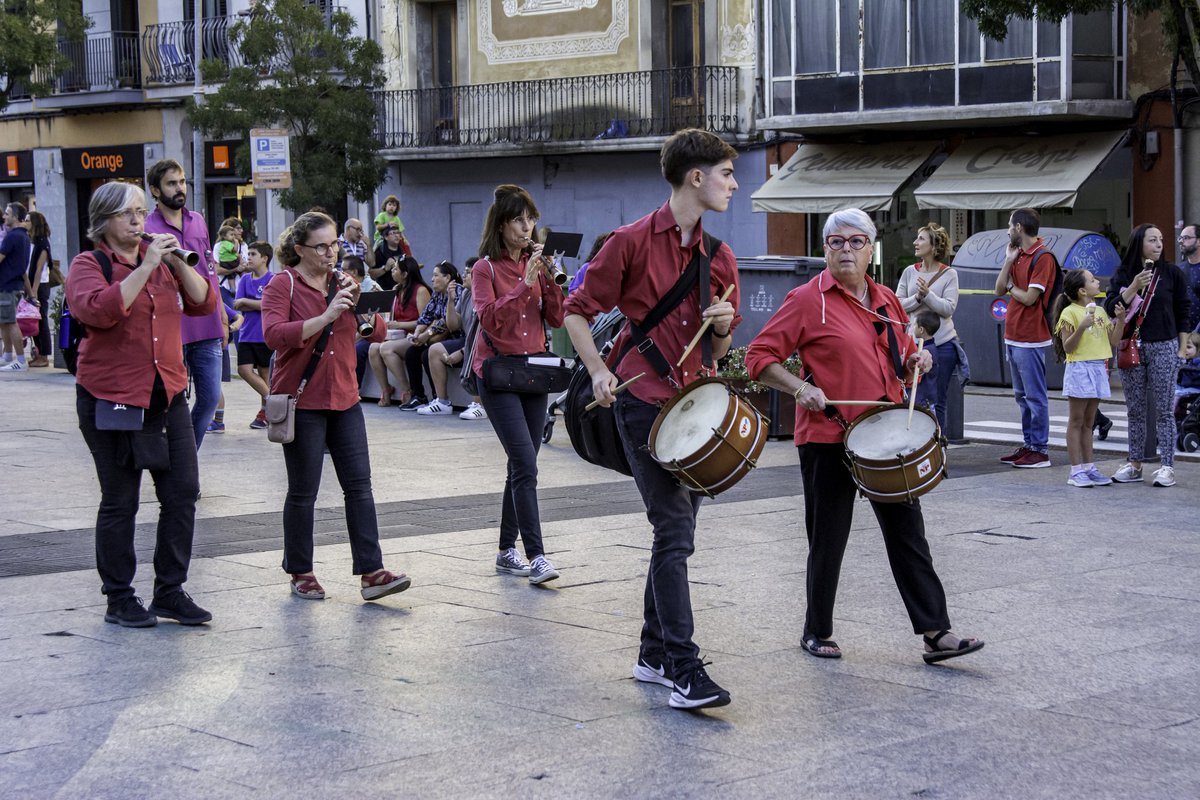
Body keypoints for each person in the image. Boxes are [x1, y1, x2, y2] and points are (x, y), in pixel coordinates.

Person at [746, 206, 984, 667]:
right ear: (825, 249)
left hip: (885, 436)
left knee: (908, 533)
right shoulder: (806, 299)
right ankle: (817, 630)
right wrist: (799, 388)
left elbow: (903, 355)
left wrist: (916, 360)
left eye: (856, 242)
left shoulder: (886, 299)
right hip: (828, 436)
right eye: (837, 242)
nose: (847, 250)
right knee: (828, 537)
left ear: (870, 249)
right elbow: (759, 357)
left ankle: (936, 632)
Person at [563, 129, 740, 710]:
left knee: (676, 531)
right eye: (726, 174)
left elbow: (718, 352)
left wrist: (721, 327)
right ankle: (684, 669)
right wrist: (597, 370)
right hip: (641, 400)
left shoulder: (720, 257)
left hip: (696, 407)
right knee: (673, 528)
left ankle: (653, 653)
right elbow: (575, 310)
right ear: (696, 177)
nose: (733, 185)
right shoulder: (630, 242)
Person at [66, 181, 217, 627]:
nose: (138, 220)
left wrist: (175, 260)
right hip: (111, 397)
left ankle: (170, 590)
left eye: (139, 211)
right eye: (126, 213)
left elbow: (204, 302)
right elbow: (99, 310)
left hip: (166, 393)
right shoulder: (89, 264)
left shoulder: (162, 262)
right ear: (103, 221)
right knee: (120, 500)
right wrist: (145, 265)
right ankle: (119, 597)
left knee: (182, 493)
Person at [261, 211, 411, 602]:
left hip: (345, 397)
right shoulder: (283, 285)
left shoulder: (344, 282)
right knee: (303, 491)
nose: (331, 254)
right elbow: (274, 336)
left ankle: (372, 571)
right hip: (304, 400)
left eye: (335, 245)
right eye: (322, 247)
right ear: (300, 249)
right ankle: (301, 571)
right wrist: (326, 315)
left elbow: (378, 333)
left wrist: (362, 305)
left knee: (359, 486)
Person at [473, 184, 566, 587]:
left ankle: (505, 551)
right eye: (518, 220)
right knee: (526, 464)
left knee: (521, 465)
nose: (526, 227)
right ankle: (537, 556)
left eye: (531, 220)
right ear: (501, 225)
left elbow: (558, 319)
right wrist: (524, 284)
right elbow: (490, 319)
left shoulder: (537, 262)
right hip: (497, 374)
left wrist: (552, 279)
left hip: (534, 371)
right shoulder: (486, 269)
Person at [143, 159, 224, 449]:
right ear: (155, 190)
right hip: (171, 327)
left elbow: (210, 271)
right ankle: (180, 462)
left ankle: (185, 456)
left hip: (207, 323)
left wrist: (222, 315)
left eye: (182, 182)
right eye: (171, 183)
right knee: (171, 403)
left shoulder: (197, 220)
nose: (180, 189)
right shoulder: (146, 227)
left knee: (210, 398)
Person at [1104, 223, 1190, 488]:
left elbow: (1183, 311)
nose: (1159, 244)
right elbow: (1110, 307)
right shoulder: (1123, 273)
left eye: (1161, 239)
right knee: (1135, 410)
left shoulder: (1171, 273)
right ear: (1139, 243)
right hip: (1131, 346)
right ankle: (1135, 464)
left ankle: (1167, 466)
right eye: (1152, 239)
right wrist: (1132, 287)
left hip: (1164, 346)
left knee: (1164, 410)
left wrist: (1182, 347)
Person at [993, 208, 1056, 469]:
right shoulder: (1017, 254)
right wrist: (1008, 261)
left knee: (1034, 396)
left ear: (1019, 227)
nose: (1008, 231)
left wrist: (1011, 286)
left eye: (1010, 226)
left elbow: (1030, 298)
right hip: (1013, 335)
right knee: (1022, 396)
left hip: (1031, 337)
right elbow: (998, 289)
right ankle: (1029, 445)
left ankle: (1039, 449)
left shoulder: (1043, 257)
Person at [1052, 269, 1124, 488]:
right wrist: (1082, 327)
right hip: (1079, 368)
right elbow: (1068, 347)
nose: (1097, 282)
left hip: (1098, 367)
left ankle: (1089, 467)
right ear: (1082, 290)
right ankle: (1075, 470)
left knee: (1089, 421)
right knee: (1076, 420)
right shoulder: (1070, 313)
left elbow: (1114, 340)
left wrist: (1121, 320)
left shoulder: (1100, 311)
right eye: (1092, 280)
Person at [896, 223, 962, 430]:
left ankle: (937, 441)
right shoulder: (909, 272)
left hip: (942, 344)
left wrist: (928, 295)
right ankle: (915, 439)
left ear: (934, 246)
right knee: (911, 396)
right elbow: (897, 304)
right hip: (913, 344)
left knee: (937, 399)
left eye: (921, 239)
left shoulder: (949, 274)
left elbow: (948, 308)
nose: (915, 242)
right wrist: (917, 298)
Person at [394, 260, 460, 411]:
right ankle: (419, 396)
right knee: (412, 352)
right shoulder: (437, 294)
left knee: (426, 354)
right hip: (440, 337)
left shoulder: (457, 291)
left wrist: (427, 334)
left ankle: (439, 397)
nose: (432, 279)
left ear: (447, 277)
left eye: (436, 275)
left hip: (457, 336)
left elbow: (447, 321)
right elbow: (425, 317)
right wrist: (417, 334)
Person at [368, 256, 430, 406]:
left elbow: (425, 321)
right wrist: (379, 298)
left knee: (386, 348)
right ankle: (386, 390)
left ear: (405, 274)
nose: (392, 271)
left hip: (416, 336)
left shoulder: (421, 290)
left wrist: (399, 324)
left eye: (395, 269)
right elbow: (389, 316)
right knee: (373, 348)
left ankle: (407, 390)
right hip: (398, 336)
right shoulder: (397, 290)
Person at [419, 261, 474, 415]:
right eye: (464, 271)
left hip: (478, 342)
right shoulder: (465, 293)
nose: (463, 275)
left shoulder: (482, 294)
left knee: (477, 352)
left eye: (468, 272)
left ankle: (480, 405)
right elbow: (453, 325)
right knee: (432, 350)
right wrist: (450, 300)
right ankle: (442, 401)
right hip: (466, 340)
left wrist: (462, 352)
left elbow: (481, 334)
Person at [233, 241, 275, 429]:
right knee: (244, 370)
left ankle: (265, 413)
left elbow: (270, 305)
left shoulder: (273, 279)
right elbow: (236, 305)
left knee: (265, 374)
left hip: (265, 335)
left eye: (252, 254)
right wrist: (256, 304)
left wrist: (246, 301)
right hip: (246, 334)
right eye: (248, 253)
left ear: (264, 258)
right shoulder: (244, 280)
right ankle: (274, 402)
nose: (248, 257)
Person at [0, 202, 32, 371]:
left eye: (7, 213)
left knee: (11, 322)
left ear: (15, 217)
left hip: (8, 285)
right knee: (4, 321)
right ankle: (7, 355)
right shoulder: (23, 236)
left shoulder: (12, 236)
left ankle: (20, 360)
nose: (4, 216)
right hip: (14, 284)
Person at [24, 211, 53, 367]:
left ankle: (44, 355)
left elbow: (39, 269)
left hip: (40, 286)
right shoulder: (32, 241)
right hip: (31, 285)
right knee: (32, 320)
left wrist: (33, 291)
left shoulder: (43, 243)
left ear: (35, 223)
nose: (25, 223)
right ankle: (38, 353)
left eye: (28, 220)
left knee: (41, 320)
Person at [909, 309, 941, 412]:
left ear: (921, 329)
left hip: (922, 399)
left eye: (915, 325)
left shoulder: (927, 351)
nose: (913, 327)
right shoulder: (932, 347)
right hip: (927, 398)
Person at [369, 225, 408, 291]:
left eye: (398, 233)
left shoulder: (403, 249)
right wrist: (385, 268)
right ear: (386, 237)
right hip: (384, 290)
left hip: (401, 289)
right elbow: (371, 274)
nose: (396, 235)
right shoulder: (379, 252)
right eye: (393, 233)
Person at [1178, 222, 1200, 332]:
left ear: (1199, 241)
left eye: (1186, 238)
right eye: (1180, 238)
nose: (1181, 241)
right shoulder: (1178, 269)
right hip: (1183, 334)